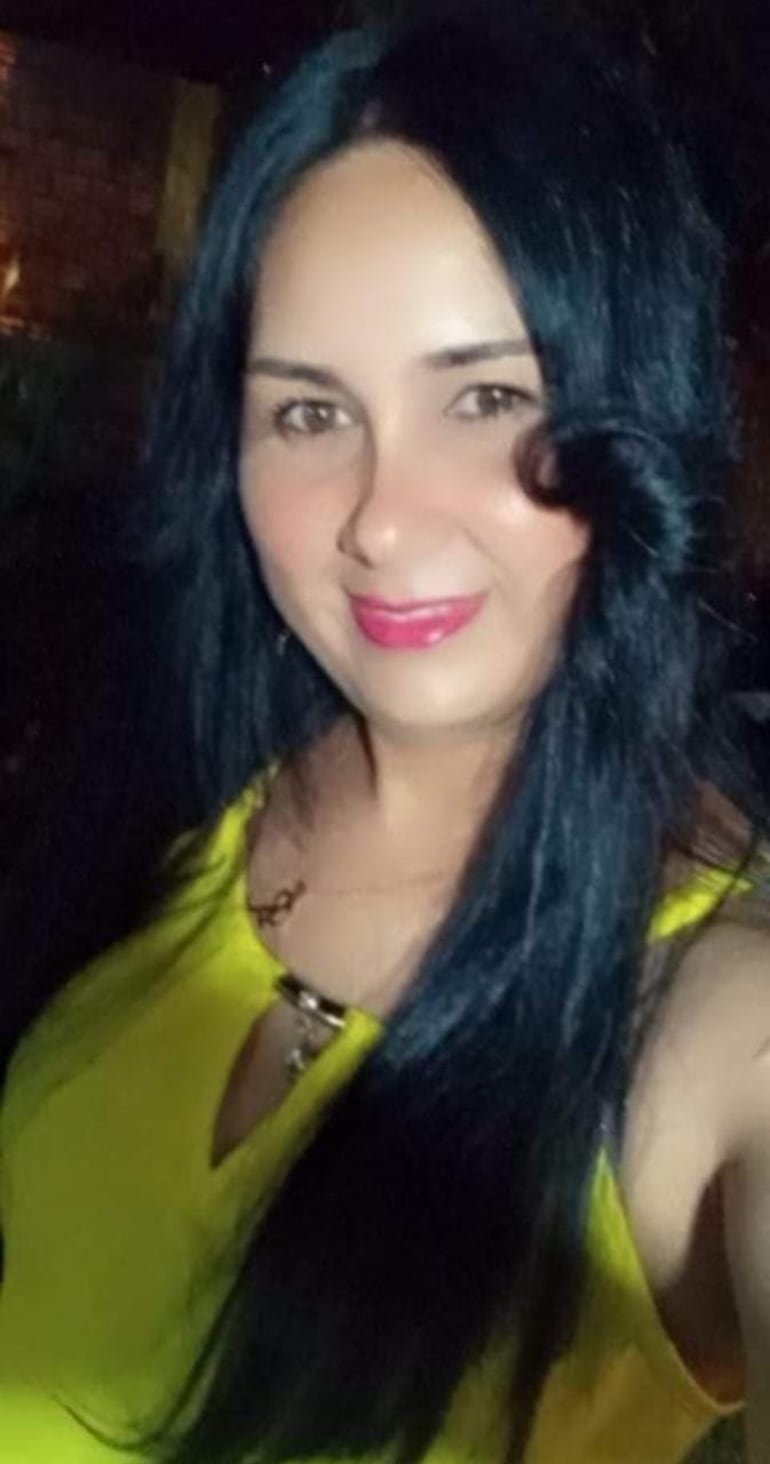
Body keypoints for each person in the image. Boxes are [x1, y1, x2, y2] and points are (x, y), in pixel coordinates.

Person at [1, 7, 769, 1462]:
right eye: (308, 414)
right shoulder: (180, 774)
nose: (380, 520)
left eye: (485, 397)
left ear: (637, 429)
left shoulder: (714, 1027)